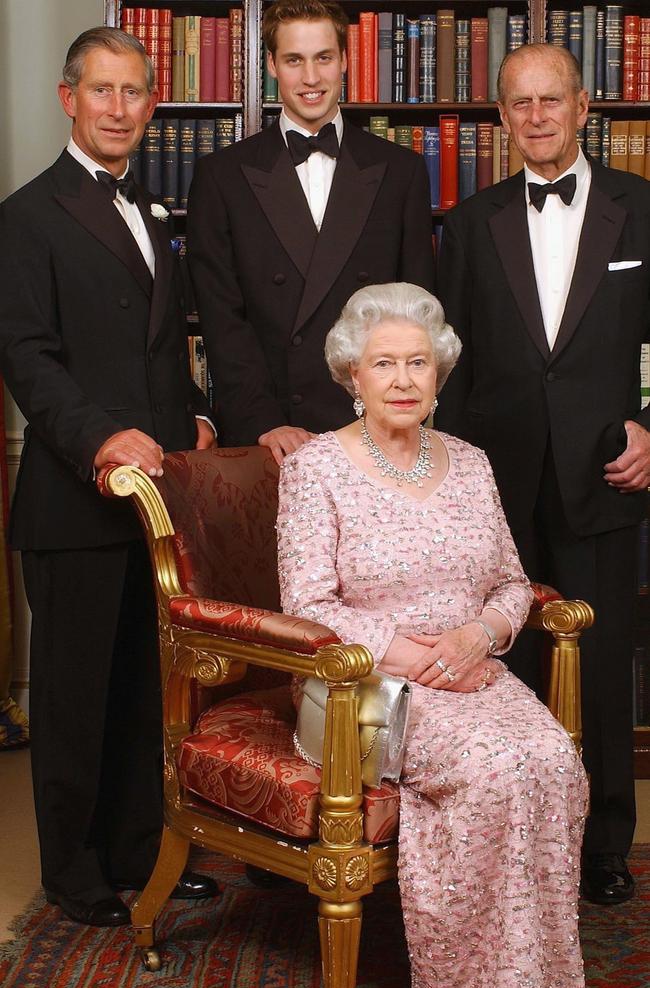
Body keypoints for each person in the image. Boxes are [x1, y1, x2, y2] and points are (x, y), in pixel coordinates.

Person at [277, 282, 588, 988]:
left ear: (439, 375)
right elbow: (307, 602)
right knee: (494, 771)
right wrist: (418, 658)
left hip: (473, 672)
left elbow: (513, 584)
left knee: (550, 761)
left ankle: (536, 983)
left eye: (418, 364)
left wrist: (477, 636)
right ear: (352, 375)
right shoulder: (314, 468)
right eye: (384, 364)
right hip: (364, 688)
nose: (403, 380)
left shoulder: (472, 464)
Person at [0, 27, 219, 927]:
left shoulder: (152, 210)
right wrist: (101, 439)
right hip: (71, 502)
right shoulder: (26, 215)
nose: (120, 109)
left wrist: (195, 415)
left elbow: (157, 352)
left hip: (157, 500)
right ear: (69, 98)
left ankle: (139, 848)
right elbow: (28, 355)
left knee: (142, 691)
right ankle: (76, 870)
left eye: (135, 93)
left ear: (151, 104)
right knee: (73, 698)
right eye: (103, 91)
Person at [436, 42, 650, 905]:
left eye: (551, 100)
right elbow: (447, 360)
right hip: (498, 482)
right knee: (504, 668)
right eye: (519, 104)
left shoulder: (642, 209)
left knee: (600, 669)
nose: (537, 117)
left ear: (584, 105)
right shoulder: (471, 219)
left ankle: (603, 848)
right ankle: (514, 843)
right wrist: (450, 488)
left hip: (606, 475)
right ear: (500, 118)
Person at [187, 0, 435, 465]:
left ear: (345, 60)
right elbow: (223, 319)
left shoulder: (402, 171)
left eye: (323, 58)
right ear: (271, 66)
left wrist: (392, 415)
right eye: (294, 60)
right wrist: (264, 421)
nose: (311, 78)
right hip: (272, 433)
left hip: (376, 428)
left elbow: (416, 315)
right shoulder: (221, 176)